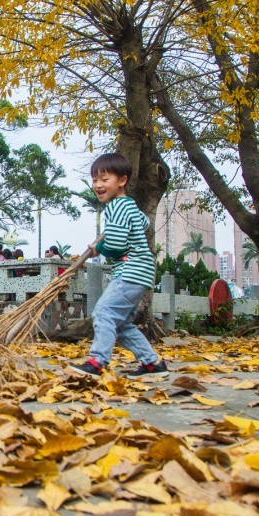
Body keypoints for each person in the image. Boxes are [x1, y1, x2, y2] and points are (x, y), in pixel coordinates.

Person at [66, 153, 168, 379]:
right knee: (119, 324)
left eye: (104, 179)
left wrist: (98, 249)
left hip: (131, 271)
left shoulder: (115, 209)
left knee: (103, 312)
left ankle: (97, 362)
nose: (98, 185)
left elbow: (117, 245)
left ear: (121, 181)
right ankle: (152, 364)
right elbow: (145, 222)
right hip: (141, 272)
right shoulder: (128, 206)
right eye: (95, 180)